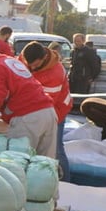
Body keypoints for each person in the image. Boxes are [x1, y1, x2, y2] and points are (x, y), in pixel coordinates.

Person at [0, 35, 57, 158]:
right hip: (48, 112)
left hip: (28, 117)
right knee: (45, 164)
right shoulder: (8, 60)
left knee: (19, 161)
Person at [20, 41, 72, 181]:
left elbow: (44, 103)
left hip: (56, 110)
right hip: (37, 110)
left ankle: (66, 181)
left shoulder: (55, 73)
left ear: (43, 58)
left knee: (55, 149)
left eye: (35, 65)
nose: (31, 67)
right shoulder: (27, 57)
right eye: (29, 64)